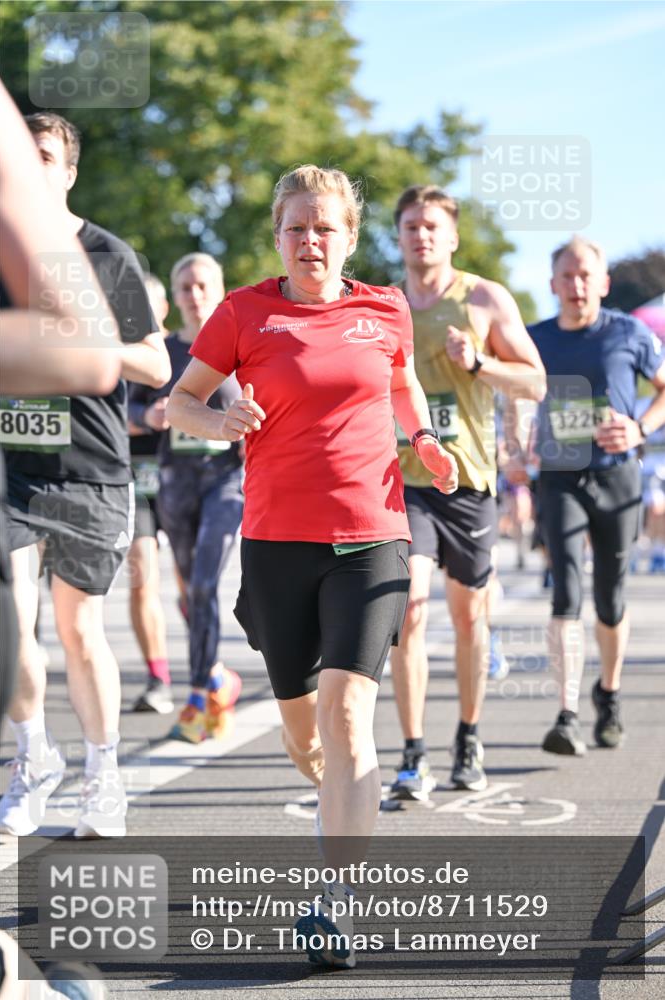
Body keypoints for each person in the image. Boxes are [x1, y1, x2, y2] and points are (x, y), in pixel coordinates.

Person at [165, 165, 458, 966]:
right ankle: (339, 803)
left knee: (348, 712)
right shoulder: (242, 312)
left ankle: (338, 902)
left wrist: (425, 440)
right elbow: (179, 401)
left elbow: (402, 392)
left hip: (372, 533)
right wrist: (219, 414)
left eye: (324, 227)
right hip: (275, 543)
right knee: (307, 736)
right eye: (295, 227)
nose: (310, 241)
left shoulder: (384, 308)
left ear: (349, 238)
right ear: (277, 236)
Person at [0, 110, 170, 840]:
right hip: (10, 468)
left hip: (92, 470)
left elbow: (159, 365)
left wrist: (88, 333)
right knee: (11, 628)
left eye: (45, 156)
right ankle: (33, 755)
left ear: (67, 171)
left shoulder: (107, 254)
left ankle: (103, 773)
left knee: (77, 629)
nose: (31, 167)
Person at [388, 185, 545, 800]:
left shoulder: (483, 298)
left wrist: (479, 363)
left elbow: (533, 382)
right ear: (398, 237)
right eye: (409, 227)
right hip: (404, 479)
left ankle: (469, 737)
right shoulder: (386, 304)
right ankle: (412, 752)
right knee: (409, 607)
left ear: (451, 236)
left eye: (432, 226)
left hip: (470, 482)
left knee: (468, 616)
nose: (421, 235)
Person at [514, 236, 665, 755]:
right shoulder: (534, 340)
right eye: (567, 276)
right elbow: (511, 394)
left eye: (586, 276)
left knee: (609, 600)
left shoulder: (628, 333)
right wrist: (518, 444)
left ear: (601, 283)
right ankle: (567, 712)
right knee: (566, 594)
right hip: (560, 477)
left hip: (618, 477)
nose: (577, 285)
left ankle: (610, 696)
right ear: (553, 284)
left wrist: (639, 430)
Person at [130, 253, 243, 742]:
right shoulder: (162, 352)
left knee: (202, 584)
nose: (194, 295)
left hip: (225, 481)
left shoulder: (240, 344)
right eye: (185, 288)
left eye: (202, 286)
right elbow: (127, 405)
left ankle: (198, 693)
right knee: (190, 593)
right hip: (174, 484)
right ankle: (217, 678)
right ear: (174, 297)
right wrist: (148, 418)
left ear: (218, 290)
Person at [127, 273, 175, 714]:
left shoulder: (183, 350)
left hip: (185, 477)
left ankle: (206, 667)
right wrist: (146, 416)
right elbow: (104, 412)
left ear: (162, 309)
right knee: (142, 574)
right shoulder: (116, 352)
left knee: (190, 582)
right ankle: (157, 676)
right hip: (135, 479)